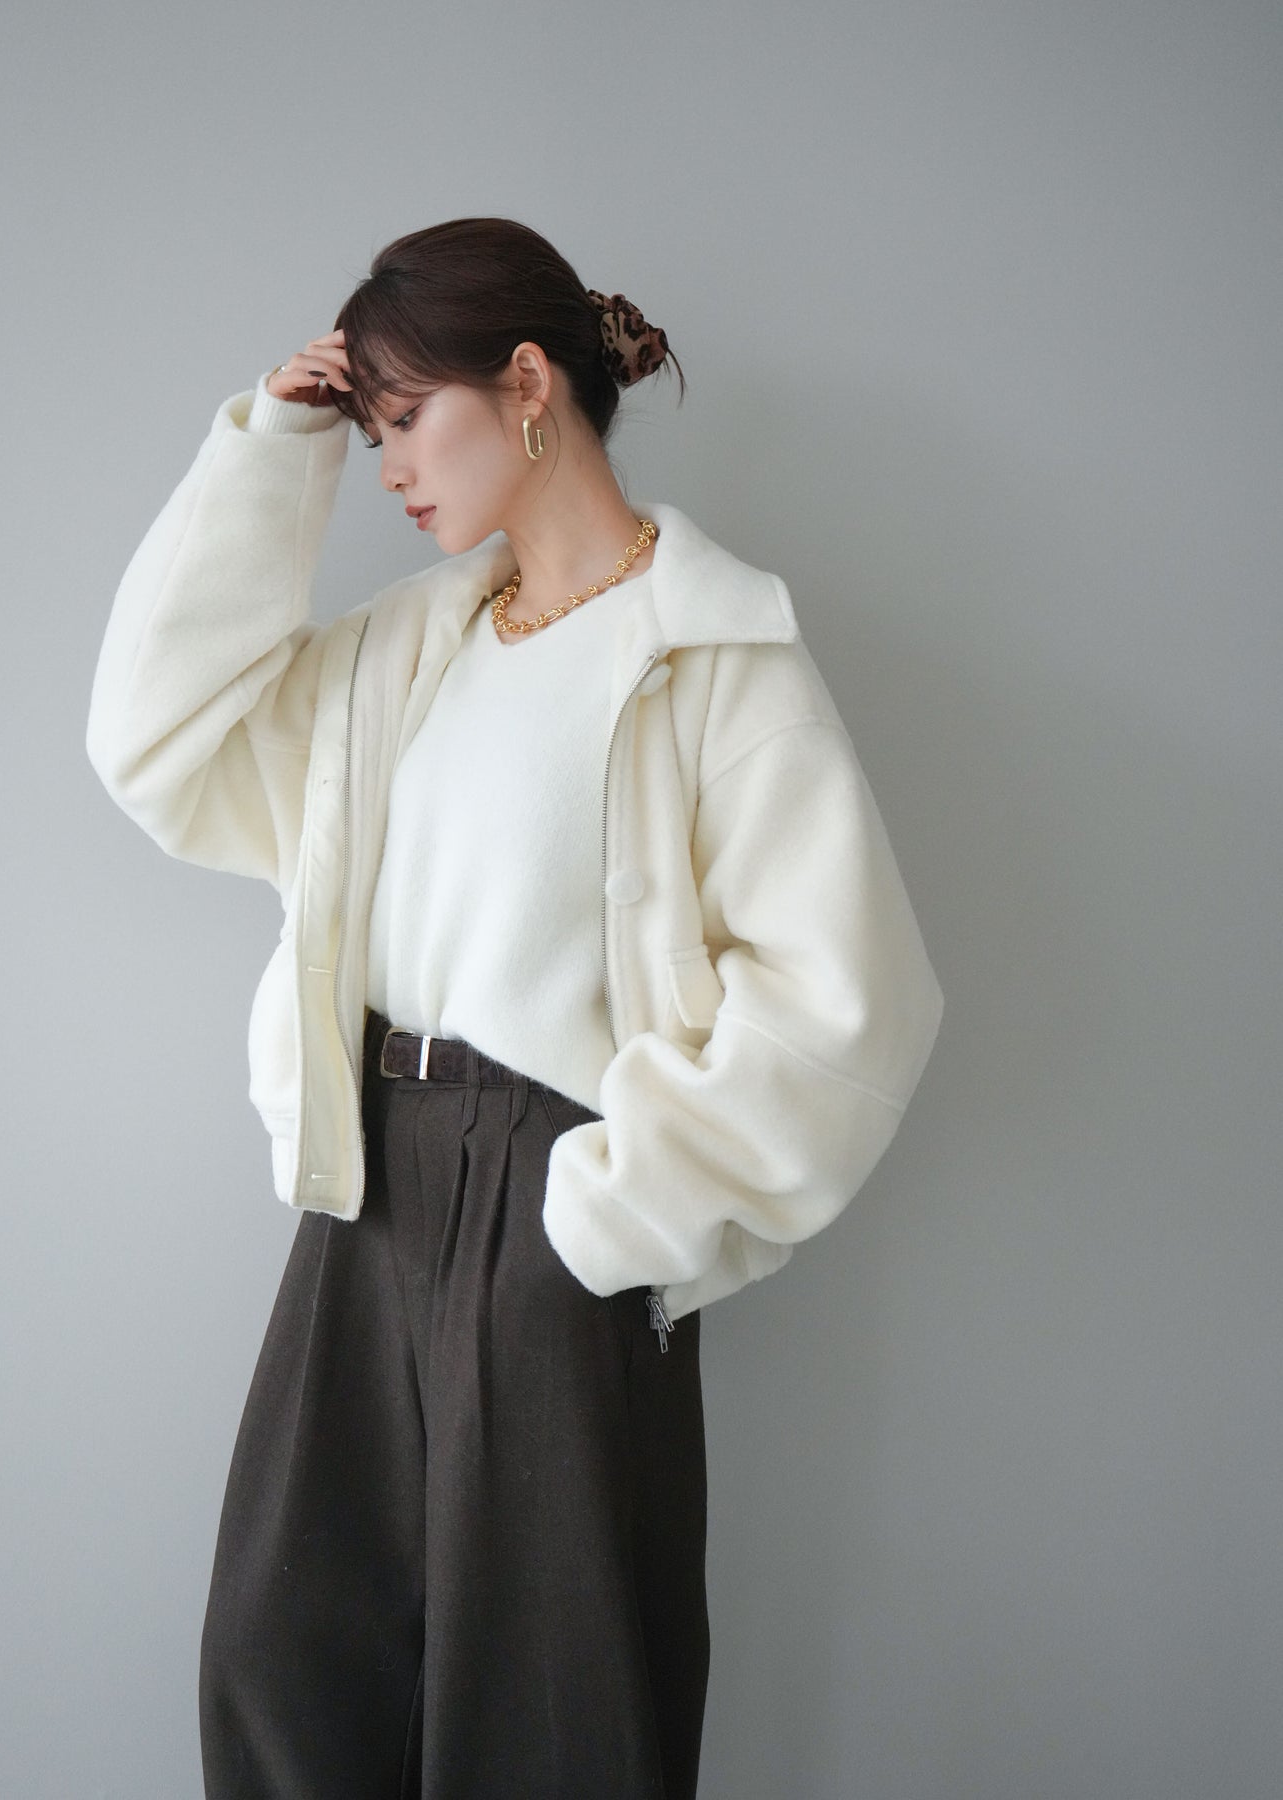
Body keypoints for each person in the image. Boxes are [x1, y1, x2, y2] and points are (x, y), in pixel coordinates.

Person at [85, 215, 945, 1800]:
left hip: (560, 1199)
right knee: (283, 1660)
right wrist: (276, 449)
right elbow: (155, 741)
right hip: (366, 1188)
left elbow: (851, 999)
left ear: (529, 384)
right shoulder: (403, 654)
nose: (390, 468)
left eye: (407, 420)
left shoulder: (711, 654)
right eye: (372, 431)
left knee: (551, 1709)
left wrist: (618, 1218)